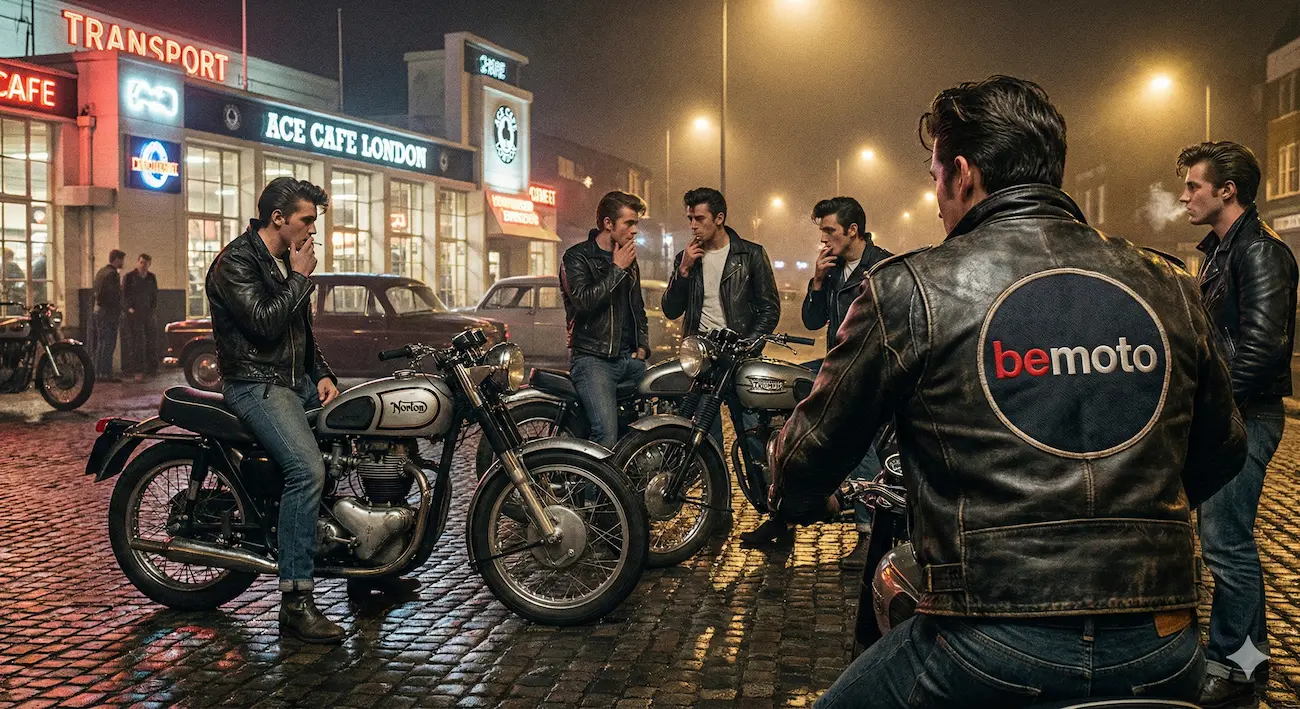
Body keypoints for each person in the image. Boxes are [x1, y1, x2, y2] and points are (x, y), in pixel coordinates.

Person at [771, 76, 1247, 708]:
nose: (935, 194)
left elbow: (810, 457)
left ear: (962, 173)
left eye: (934, 173)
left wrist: (796, 491)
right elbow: (1222, 451)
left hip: (988, 639)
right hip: (1163, 640)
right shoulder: (1167, 282)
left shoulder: (913, 288)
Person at [207, 178, 417, 644]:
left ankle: (366, 567)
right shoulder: (235, 262)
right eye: (306, 220)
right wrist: (301, 278)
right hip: (254, 383)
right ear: (278, 218)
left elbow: (300, 330)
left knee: (349, 444)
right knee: (306, 471)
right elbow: (263, 325)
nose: (312, 230)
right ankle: (296, 603)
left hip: (292, 382)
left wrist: (321, 372)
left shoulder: (283, 260)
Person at [1179, 141, 1298, 708]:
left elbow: (1263, 349)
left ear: (1227, 191)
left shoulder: (1260, 252)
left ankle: (1239, 664)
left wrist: (1214, 410)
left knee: (1227, 544)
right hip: (1234, 413)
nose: (1184, 196)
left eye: (1194, 186)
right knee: (1225, 540)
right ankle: (1240, 659)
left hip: (1247, 416)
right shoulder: (1223, 251)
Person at [662, 187, 782, 545]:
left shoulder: (751, 255)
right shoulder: (689, 257)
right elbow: (671, 309)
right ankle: (718, 515)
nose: (693, 226)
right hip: (703, 359)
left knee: (754, 439)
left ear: (719, 218)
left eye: (699, 218)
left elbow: (769, 308)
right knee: (705, 439)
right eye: (689, 219)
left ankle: (775, 515)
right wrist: (683, 270)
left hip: (741, 359)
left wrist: (749, 343)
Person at [800, 197, 893, 569]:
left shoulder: (883, 265)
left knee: (861, 445)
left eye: (829, 231)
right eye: (821, 231)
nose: (824, 239)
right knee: (784, 386)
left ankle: (869, 534)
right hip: (837, 364)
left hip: (870, 370)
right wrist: (818, 281)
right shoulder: (833, 268)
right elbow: (811, 320)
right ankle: (789, 506)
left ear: (852, 230)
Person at [559, 191, 651, 448]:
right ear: (608, 223)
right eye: (628, 223)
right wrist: (616, 269)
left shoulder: (629, 260)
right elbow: (584, 301)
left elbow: (637, 308)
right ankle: (594, 489)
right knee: (605, 435)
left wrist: (642, 346)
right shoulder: (576, 257)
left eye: (636, 224)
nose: (634, 231)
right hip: (592, 359)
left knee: (643, 432)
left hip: (628, 359)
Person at [122, 253, 159, 380]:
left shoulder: (151, 278)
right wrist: (129, 308)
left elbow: (154, 294)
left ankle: (151, 368)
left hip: (148, 313)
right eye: (141, 262)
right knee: (137, 342)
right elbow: (124, 295)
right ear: (138, 263)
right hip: (134, 313)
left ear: (149, 264)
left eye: (146, 263)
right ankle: (137, 369)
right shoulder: (129, 277)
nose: (143, 265)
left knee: (151, 341)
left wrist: (153, 309)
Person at [91, 249, 125, 382]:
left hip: (99, 311)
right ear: (117, 259)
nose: (123, 263)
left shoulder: (101, 272)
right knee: (109, 343)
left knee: (101, 342)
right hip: (109, 313)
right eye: (122, 260)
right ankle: (106, 373)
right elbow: (114, 296)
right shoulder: (112, 274)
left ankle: (98, 372)